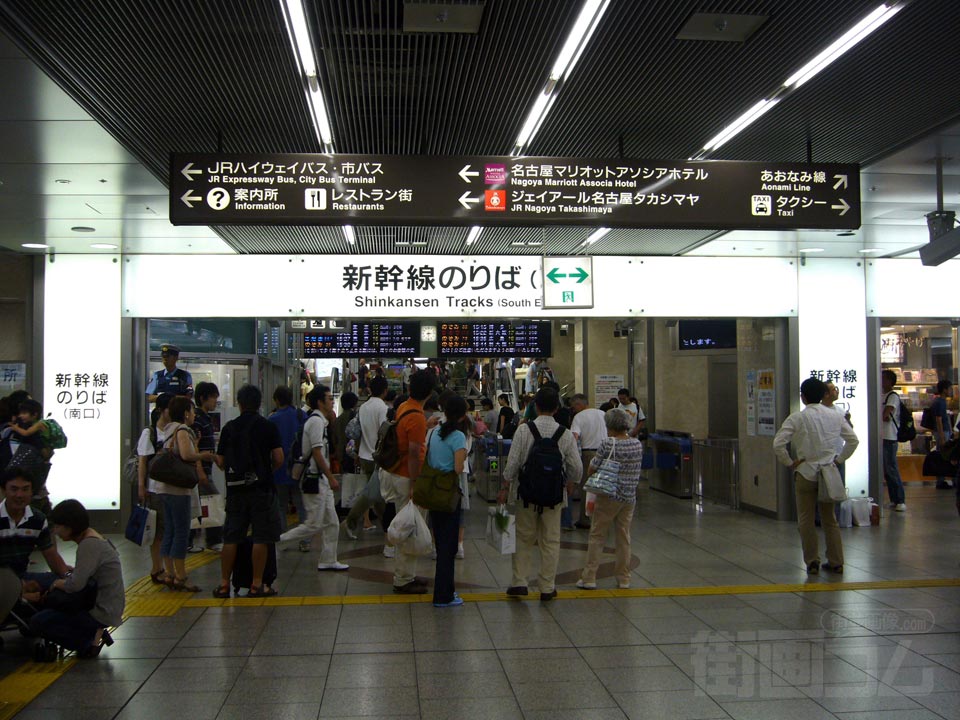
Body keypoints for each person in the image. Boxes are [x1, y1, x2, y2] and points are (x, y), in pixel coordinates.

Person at [498, 387, 582, 601]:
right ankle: (547, 586)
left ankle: (519, 583)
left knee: (524, 538)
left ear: (535, 406)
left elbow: (513, 463)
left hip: (525, 494)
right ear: (556, 408)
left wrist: (505, 485)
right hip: (554, 496)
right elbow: (576, 468)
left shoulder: (524, 430)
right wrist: (571, 482)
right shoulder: (564, 433)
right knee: (551, 541)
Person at [774, 377, 859, 574]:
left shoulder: (797, 418)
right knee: (830, 518)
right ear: (823, 395)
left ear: (803, 397)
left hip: (805, 472)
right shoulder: (836, 416)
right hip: (828, 471)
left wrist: (789, 462)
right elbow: (853, 440)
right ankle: (836, 561)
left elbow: (778, 443)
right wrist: (838, 460)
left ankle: (812, 561)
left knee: (806, 518)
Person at [213, 385, 284, 598]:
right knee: (261, 537)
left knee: (232, 537)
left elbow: (222, 462)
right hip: (261, 490)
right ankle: (257, 584)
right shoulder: (267, 426)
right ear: (259, 403)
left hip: (235, 492)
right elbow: (279, 458)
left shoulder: (229, 428)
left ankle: (224, 584)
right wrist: (265, 472)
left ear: (239, 403)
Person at [29, 499, 123, 657]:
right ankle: (90, 634)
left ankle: (86, 642)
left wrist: (57, 583)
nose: (56, 531)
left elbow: (75, 585)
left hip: (99, 611)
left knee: (38, 622)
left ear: (69, 526)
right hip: (106, 605)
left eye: (58, 526)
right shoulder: (94, 537)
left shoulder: (89, 545)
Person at [277, 385, 349, 572]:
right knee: (314, 524)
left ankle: (328, 559)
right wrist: (331, 477)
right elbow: (317, 453)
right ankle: (276, 542)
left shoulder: (320, 421)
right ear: (319, 402)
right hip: (314, 479)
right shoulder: (316, 422)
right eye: (328, 398)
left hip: (319, 480)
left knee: (332, 522)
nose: (332, 401)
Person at [577, 408, 644, 590]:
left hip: (608, 495)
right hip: (629, 497)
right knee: (623, 537)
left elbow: (592, 468)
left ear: (610, 426)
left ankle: (589, 577)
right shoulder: (637, 444)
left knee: (597, 535)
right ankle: (624, 578)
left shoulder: (608, 443)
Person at [155, 396, 216, 591]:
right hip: (178, 489)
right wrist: (204, 455)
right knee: (181, 531)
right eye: (192, 410)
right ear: (185, 413)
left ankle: (170, 572)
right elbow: (186, 455)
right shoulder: (182, 430)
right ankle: (180, 575)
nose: (194, 414)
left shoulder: (168, 429)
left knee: (170, 531)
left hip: (165, 488)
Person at [380, 369, 433, 594]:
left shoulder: (405, 407)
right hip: (405, 477)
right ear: (429, 393)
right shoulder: (416, 416)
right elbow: (413, 452)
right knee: (407, 528)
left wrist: (426, 427)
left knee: (408, 526)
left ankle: (407, 575)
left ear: (410, 389)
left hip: (395, 473)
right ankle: (402, 579)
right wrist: (414, 484)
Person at [0, 469, 71, 590]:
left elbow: (50, 554)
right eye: (14, 489)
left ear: (32, 492)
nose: (19, 495)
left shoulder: (38, 519)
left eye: (25, 489)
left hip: (21, 576)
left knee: (61, 584)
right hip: (2, 578)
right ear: (3, 491)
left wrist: (68, 577)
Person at [428, 395, 468, 607]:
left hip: (433, 491)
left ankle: (444, 591)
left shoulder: (433, 433)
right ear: (462, 415)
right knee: (448, 547)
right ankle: (443, 595)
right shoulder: (458, 436)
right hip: (449, 492)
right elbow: (458, 468)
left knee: (441, 541)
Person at [136, 395, 171, 583]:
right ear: (161, 410)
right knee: (157, 531)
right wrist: (141, 486)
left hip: (172, 488)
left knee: (168, 529)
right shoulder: (149, 433)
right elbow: (142, 462)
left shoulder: (176, 430)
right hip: (155, 489)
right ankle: (157, 568)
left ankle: (165, 567)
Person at [267, 385, 307, 538]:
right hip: (298, 467)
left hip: (279, 467)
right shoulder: (300, 415)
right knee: (301, 505)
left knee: (280, 505)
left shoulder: (272, 419)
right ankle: (304, 540)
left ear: (277, 400)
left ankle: (282, 537)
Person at [6, 398, 55, 513]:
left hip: (29, 490)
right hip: (37, 490)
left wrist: (15, 428)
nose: (20, 416)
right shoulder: (39, 431)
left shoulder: (31, 431)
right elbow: (46, 454)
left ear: (34, 415)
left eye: (23, 413)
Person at [190, 381, 222, 552]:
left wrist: (215, 458)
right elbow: (193, 446)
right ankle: (213, 540)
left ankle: (195, 540)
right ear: (203, 398)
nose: (215, 401)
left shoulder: (206, 418)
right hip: (200, 471)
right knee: (213, 502)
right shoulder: (197, 419)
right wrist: (200, 470)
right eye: (213, 398)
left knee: (201, 506)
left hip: (206, 469)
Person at [569, 394, 608, 530]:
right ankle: (603, 519)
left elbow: (574, 437)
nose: (573, 410)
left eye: (574, 407)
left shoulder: (579, 417)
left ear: (579, 405)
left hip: (588, 454)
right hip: (606, 452)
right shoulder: (603, 413)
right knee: (604, 486)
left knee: (587, 486)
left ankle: (585, 519)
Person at [881, 369, 907, 512]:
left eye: (884, 378)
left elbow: (887, 414)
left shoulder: (892, 396)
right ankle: (894, 499)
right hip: (883, 436)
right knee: (886, 469)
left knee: (891, 468)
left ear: (890, 381)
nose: (881, 381)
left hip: (890, 436)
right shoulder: (882, 395)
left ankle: (900, 499)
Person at [930, 380, 954, 489]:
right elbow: (939, 419)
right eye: (950, 388)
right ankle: (940, 480)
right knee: (943, 456)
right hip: (942, 432)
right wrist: (942, 436)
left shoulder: (939, 401)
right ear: (944, 390)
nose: (951, 391)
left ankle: (941, 479)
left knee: (943, 455)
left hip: (943, 432)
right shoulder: (940, 402)